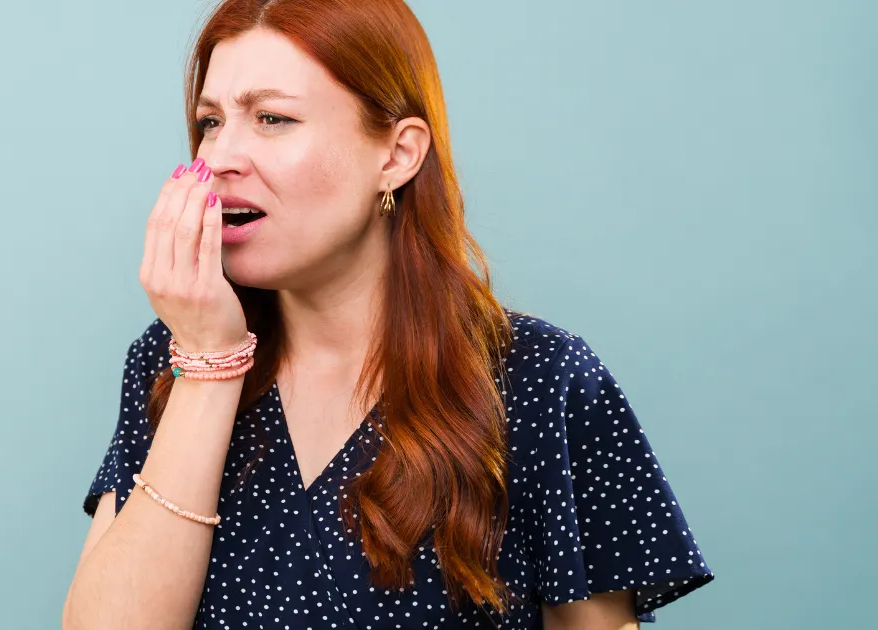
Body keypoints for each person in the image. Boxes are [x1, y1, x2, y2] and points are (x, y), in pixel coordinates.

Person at [62, 1, 713, 628]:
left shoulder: (544, 381)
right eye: (210, 121)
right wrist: (208, 368)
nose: (220, 157)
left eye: (271, 119)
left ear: (398, 155)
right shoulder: (171, 354)